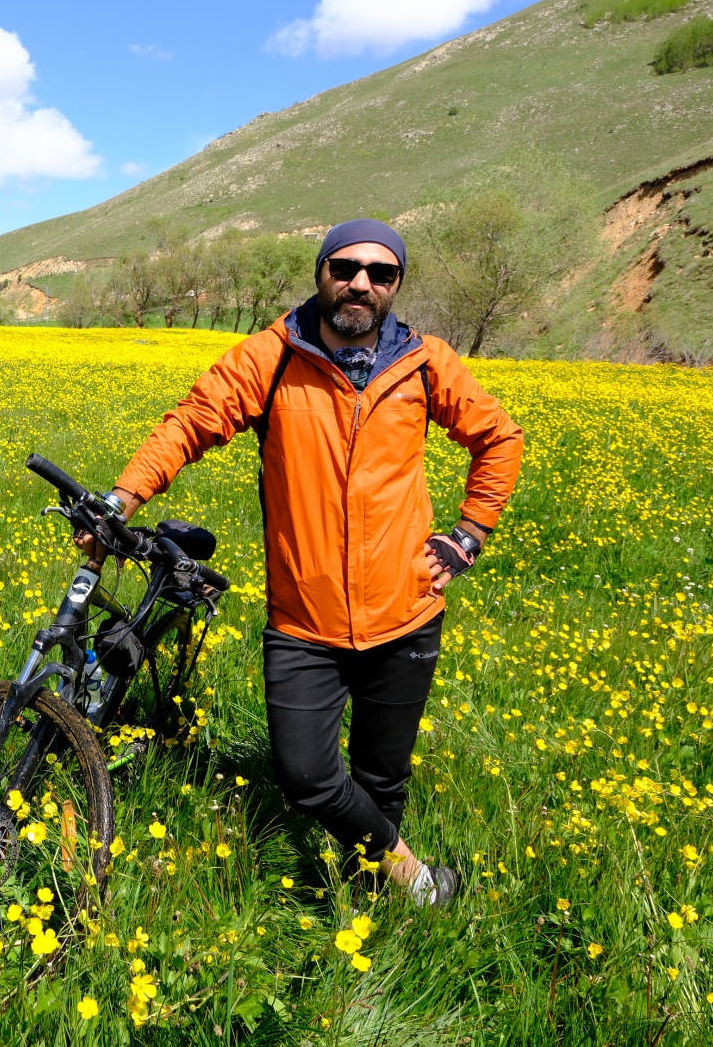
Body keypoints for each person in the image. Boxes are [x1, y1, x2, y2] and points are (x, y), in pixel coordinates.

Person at [81, 219, 523, 906]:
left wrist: (469, 534)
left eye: (380, 273)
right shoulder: (275, 355)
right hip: (303, 621)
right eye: (345, 268)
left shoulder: (425, 362)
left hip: (405, 612)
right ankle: (417, 877)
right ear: (321, 272)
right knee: (306, 776)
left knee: (382, 777)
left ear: (396, 284)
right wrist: (122, 497)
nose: (361, 284)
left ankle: (371, 904)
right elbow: (192, 421)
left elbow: (498, 437)